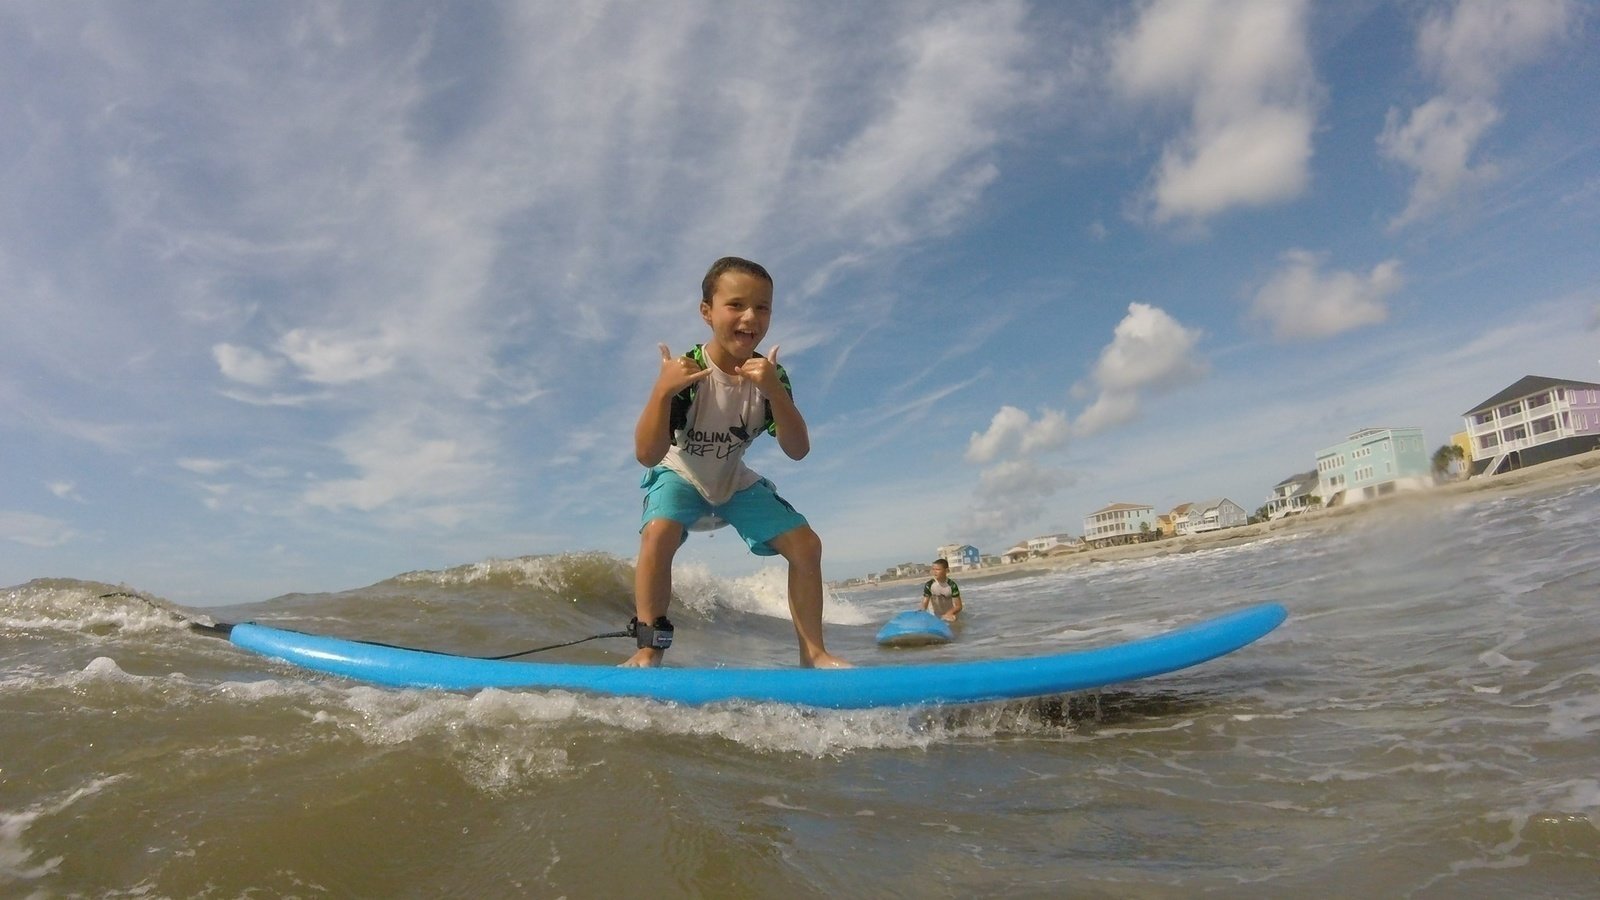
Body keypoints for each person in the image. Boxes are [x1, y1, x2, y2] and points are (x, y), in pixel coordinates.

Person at [625, 256, 850, 669]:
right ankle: (648, 649)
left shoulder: (769, 377)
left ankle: (813, 654)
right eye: (736, 305)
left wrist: (775, 392)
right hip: (681, 473)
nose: (751, 317)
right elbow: (647, 455)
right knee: (657, 533)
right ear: (707, 312)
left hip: (733, 480)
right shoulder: (687, 372)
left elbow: (797, 450)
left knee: (806, 545)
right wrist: (661, 393)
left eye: (762, 307)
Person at [919, 558, 963, 622]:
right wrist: (921, 613)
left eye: (938, 569)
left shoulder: (952, 585)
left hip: (948, 614)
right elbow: (925, 603)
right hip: (934, 616)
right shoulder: (929, 584)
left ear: (947, 570)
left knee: (954, 622)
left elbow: (959, 606)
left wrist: (948, 614)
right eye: (933, 569)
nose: (934, 572)